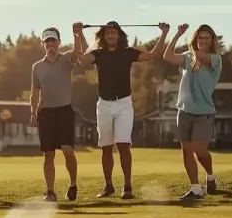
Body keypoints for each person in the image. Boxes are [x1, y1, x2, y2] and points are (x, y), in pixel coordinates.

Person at [72, 20, 169, 199]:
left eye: (114, 33)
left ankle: (127, 187)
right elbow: (82, 59)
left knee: (123, 145)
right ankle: (108, 186)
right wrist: (78, 35)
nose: (111, 35)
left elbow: (154, 55)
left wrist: (163, 33)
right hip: (104, 104)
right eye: (108, 33)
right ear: (104, 35)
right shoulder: (98, 54)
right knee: (106, 147)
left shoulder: (128, 53)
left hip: (124, 103)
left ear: (119, 35)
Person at [162, 24, 223, 200]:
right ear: (196, 39)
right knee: (187, 150)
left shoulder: (215, 59)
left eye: (207, 38)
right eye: (200, 38)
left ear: (212, 41)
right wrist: (177, 34)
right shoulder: (188, 57)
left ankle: (210, 175)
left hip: (204, 112)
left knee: (199, 150)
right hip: (185, 110)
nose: (203, 41)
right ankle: (195, 188)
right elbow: (167, 56)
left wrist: (190, 46)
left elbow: (199, 54)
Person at [30, 26, 79, 202]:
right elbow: (35, 91)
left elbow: (78, 53)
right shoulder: (37, 67)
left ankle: (73, 185)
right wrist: (33, 111)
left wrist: (76, 34)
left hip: (64, 110)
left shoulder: (66, 59)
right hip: (46, 113)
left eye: (53, 40)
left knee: (67, 150)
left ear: (59, 42)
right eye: (47, 41)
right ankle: (50, 191)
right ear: (43, 44)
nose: (50, 44)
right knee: (49, 153)